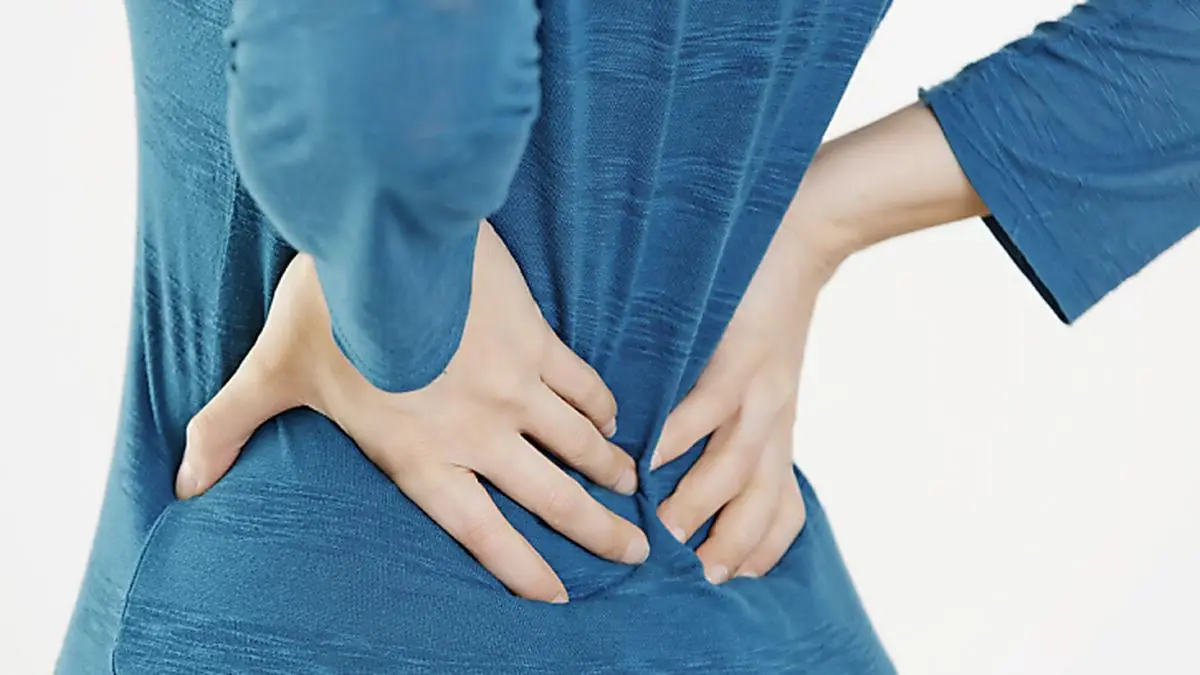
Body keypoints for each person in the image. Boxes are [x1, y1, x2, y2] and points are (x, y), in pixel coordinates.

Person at [58, 1, 1199, 672]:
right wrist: (820, 216)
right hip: (725, 586)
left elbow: (369, 90)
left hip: (316, 597)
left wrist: (396, 299)